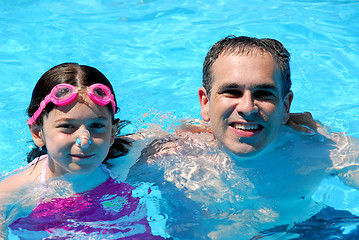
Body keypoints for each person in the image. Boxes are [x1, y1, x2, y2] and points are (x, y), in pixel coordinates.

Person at [126, 36, 359, 239]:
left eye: (264, 94)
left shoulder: (320, 149)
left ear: (286, 105)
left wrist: (328, 137)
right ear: (205, 103)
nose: (248, 107)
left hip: (298, 230)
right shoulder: (168, 155)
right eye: (232, 92)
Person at [0, 63, 169, 240]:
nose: (84, 140)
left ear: (112, 132)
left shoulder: (126, 158)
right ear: (37, 133)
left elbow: (178, 134)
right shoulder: (16, 193)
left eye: (96, 126)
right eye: (67, 126)